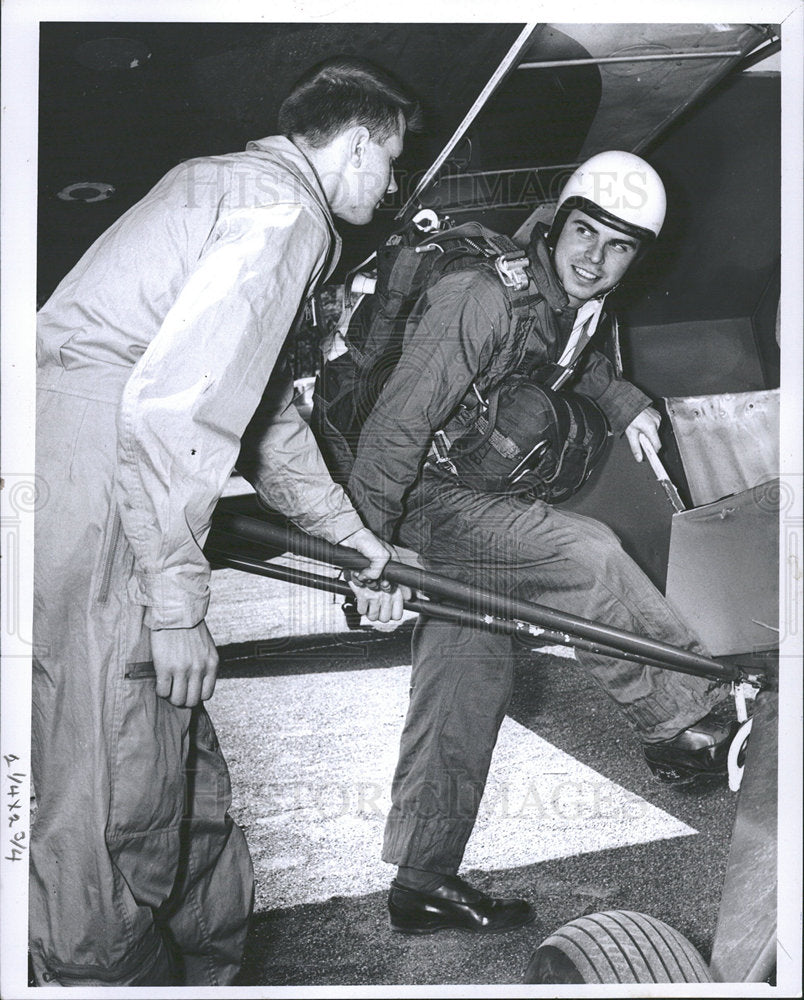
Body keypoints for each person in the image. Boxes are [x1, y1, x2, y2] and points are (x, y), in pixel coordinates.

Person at [31, 56, 418, 986]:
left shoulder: (226, 186)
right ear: (357, 143)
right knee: (112, 789)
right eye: (392, 162)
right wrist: (175, 606)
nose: (394, 185)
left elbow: (270, 424)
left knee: (169, 749)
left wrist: (358, 544)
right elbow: (175, 411)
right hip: (104, 475)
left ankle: (209, 967)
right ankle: (94, 975)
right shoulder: (282, 213)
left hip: (73, 459)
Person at [344, 151, 737, 935]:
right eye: (584, 233)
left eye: (618, 246)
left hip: (467, 494)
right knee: (583, 553)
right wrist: (365, 557)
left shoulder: (566, 298)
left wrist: (626, 402)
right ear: (556, 225)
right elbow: (394, 429)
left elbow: (568, 358)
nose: (594, 257)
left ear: (635, 256)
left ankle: (422, 879)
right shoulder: (481, 294)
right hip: (424, 498)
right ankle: (684, 724)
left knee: (467, 678)